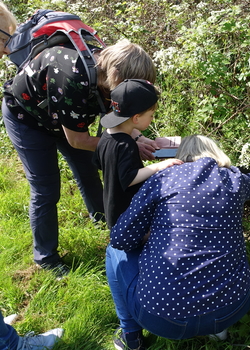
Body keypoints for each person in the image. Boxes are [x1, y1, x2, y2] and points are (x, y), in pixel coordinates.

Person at [0, 3, 161, 276]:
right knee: (46, 188)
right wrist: (128, 144)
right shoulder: (71, 74)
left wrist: (135, 135)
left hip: (65, 113)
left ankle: (101, 220)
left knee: (88, 169)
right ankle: (46, 257)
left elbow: (119, 114)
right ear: (115, 79)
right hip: (28, 118)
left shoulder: (112, 66)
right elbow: (77, 140)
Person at [105, 135, 250, 350]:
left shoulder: (163, 178)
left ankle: (131, 335)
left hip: (163, 319)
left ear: (181, 155)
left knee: (112, 250)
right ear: (216, 153)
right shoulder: (235, 180)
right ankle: (217, 329)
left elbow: (121, 237)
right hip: (232, 309)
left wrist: (151, 236)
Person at [93, 78, 183, 229]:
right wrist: (160, 166)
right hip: (127, 214)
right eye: (151, 115)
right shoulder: (126, 144)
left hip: (112, 209)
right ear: (136, 118)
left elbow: (98, 163)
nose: (152, 119)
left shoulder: (106, 137)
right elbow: (129, 178)